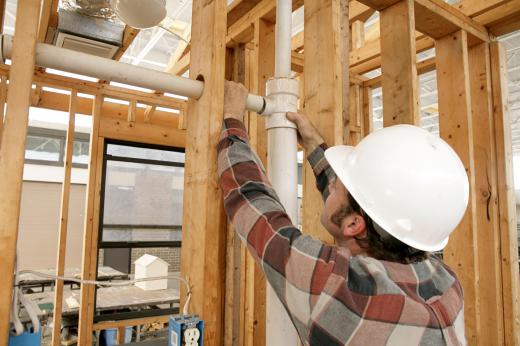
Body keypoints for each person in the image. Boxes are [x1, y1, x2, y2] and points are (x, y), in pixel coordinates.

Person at [218, 81, 468, 345]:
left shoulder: (345, 290)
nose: (333, 181)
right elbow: (361, 214)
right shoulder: (446, 283)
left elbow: (253, 202)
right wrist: (314, 144)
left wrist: (232, 119)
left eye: (339, 183)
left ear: (353, 224)